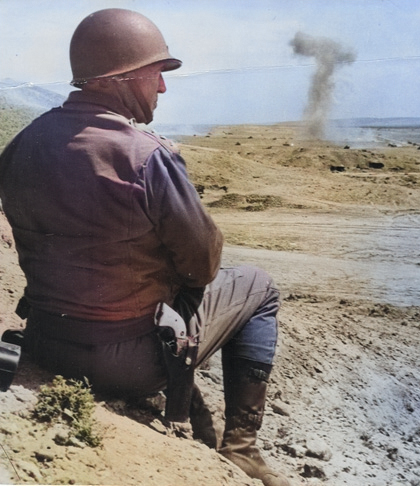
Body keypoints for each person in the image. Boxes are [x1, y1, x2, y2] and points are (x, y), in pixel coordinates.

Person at [0, 9, 289, 486]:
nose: (163, 87)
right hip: (128, 366)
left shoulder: (21, 145)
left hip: (47, 344)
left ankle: (200, 417)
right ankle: (242, 448)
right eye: (157, 74)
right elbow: (203, 265)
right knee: (258, 285)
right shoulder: (147, 154)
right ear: (121, 78)